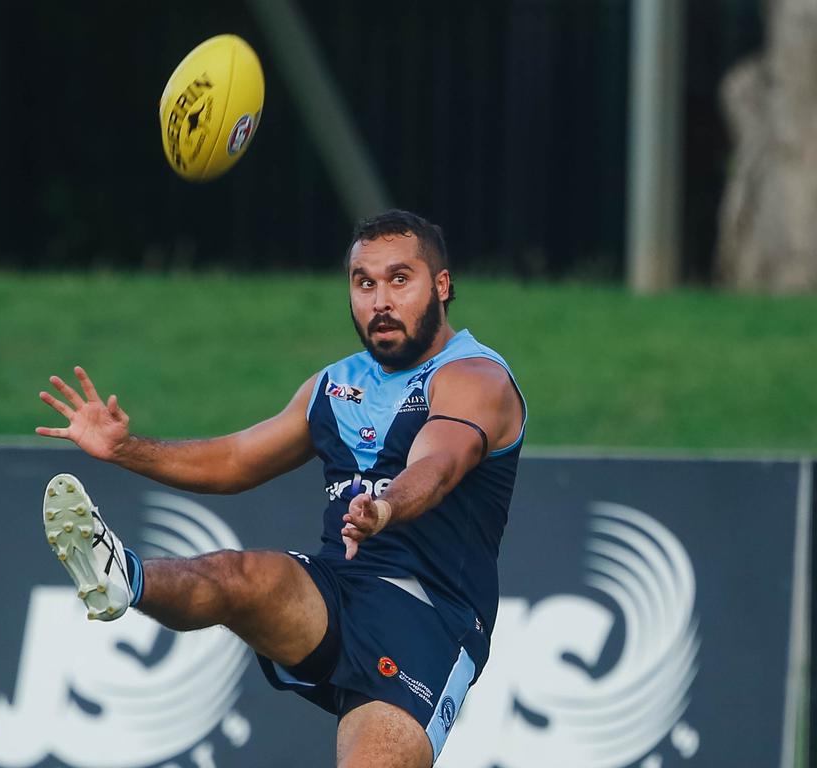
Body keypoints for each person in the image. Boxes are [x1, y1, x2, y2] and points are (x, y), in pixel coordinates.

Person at [36, 209, 527, 768]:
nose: (380, 301)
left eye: (399, 279)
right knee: (240, 576)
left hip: (428, 620)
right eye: (364, 283)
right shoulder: (334, 384)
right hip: (338, 591)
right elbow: (235, 461)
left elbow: (437, 463)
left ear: (441, 287)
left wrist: (386, 507)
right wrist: (126, 448)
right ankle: (126, 576)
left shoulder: (476, 377)